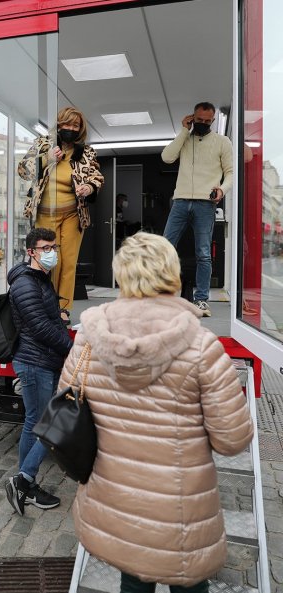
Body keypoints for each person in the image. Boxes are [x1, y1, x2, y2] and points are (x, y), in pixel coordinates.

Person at [60, 232, 253, 593]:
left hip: (116, 504)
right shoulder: (201, 346)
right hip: (180, 515)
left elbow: (66, 405)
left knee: (132, 580)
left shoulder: (89, 338)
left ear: (122, 275)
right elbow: (232, 439)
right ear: (173, 274)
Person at [5, 227, 73, 516]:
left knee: (36, 421)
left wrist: (59, 315)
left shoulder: (39, 277)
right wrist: (71, 346)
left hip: (44, 360)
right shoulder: (24, 283)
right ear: (31, 251)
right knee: (49, 423)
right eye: (46, 248)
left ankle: (25, 484)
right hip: (35, 362)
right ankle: (23, 481)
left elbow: (45, 316)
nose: (51, 253)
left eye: (53, 247)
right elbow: (40, 328)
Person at [19, 107, 104, 322]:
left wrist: (89, 188)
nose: (71, 129)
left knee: (68, 262)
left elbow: (97, 177)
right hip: (45, 213)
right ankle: (45, 305)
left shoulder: (86, 152)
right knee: (48, 261)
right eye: (67, 124)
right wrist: (46, 158)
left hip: (73, 214)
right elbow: (22, 170)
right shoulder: (43, 144)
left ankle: (63, 309)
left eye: (76, 126)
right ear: (59, 124)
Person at [162, 101, 233, 317]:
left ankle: (201, 300)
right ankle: (162, 296)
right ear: (192, 117)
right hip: (181, 200)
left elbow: (230, 172)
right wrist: (184, 130)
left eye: (207, 121)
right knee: (164, 248)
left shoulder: (222, 142)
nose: (202, 123)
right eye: (198, 120)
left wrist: (222, 189)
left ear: (212, 120)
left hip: (205, 203)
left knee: (203, 253)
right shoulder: (185, 139)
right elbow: (167, 157)